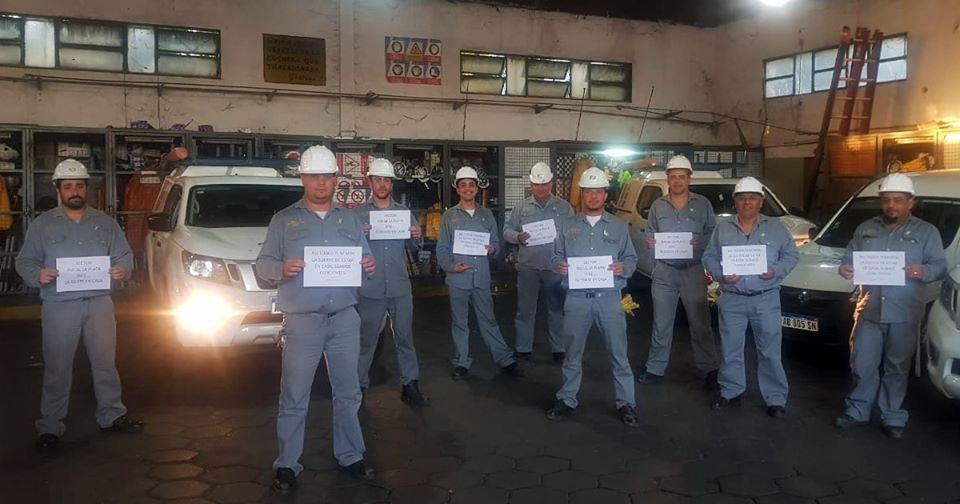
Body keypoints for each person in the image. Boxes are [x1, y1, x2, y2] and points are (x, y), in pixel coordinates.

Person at [256, 145, 378, 493]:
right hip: (302, 321)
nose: (321, 183)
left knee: (349, 392)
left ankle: (350, 455)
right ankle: (287, 464)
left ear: (335, 179)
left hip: (344, 319)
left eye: (327, 176)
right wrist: (281, 268)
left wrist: (368, 265)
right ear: (303, 179)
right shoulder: (283, 221)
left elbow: (365, 261)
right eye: (314, 177)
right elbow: (263, 267)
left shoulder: (349, 219)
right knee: (294, 395)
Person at [15, 159, 143, 453]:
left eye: (79, 186)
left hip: (99, 304)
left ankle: (112, 415)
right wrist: (38, 275)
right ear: (58, 189)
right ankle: (50, 426)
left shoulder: (105, 223)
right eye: (68, 186)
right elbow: (25, 261)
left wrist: (123, 270)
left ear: (87, 188)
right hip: (60, 306)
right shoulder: (42, 225)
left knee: (105, 363)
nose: (74, 191)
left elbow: (124, 256)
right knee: (57, 367)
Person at [834, 173, 945, 439]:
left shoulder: (927, 232)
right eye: (886, 200)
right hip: (869, 309)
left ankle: (892, 416)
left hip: (904, 311)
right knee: (862, 362)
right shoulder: (865, 228)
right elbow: (849, 256)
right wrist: (845, 267)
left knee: (897, 367)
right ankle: (858, 410)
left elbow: (940, 266)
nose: (891, 205)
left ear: (910, 202)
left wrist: (923, 271)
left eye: (898, 200)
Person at [546, 167, 640, 428]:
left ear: (605, 195)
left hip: (609, 299)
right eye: (589, 191)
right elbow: (555, 255)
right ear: (582, 194)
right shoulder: (567, 225)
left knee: (619, 354)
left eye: (598, 191)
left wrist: (624, 267)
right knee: (572, 353)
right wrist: (558, 265)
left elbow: (631, 258)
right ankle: (567, 399)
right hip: (576, 299)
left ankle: (626, 403)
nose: (594, 196)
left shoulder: (618, 227)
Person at [702, 176, 798, 418]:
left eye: (752, 198)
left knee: (770, 351)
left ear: (761, 202)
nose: (747, 203)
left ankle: (775, 398)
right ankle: (730, 390)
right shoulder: (723, 228)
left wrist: (775, 271)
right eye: (742, 198)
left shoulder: (776, 228)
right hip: (732, 298)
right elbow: (709, 256)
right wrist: (721, 274)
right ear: (735, 201)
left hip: (766, 298)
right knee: (730, 348)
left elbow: (791, 256)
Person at [636, 155, 721, 389]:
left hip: (692, 270)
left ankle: (710, 368)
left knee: (700, 323)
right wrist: (651, 241)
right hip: (664, 272)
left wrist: (702, 243)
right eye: (673, 177)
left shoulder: (703, 204)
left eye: (681, 177)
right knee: (661, 323)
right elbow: (650, 230)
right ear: (668, 179)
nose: (677, 181)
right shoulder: (658, 205)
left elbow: (712, 232)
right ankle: (655, 368)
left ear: (689, 178)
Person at [437, 166, 523, 380]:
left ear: (477, 189)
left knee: (489, 320)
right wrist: (451, 267)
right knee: (460, 323)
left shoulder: (486, 215)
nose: (467, 189)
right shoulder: (449, 216)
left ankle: (504, 359)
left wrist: (493, 250)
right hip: (458, 279)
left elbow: (496, 245)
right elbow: (442, 247)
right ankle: (461, 362)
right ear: (458, 189)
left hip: (481, 278)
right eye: (463, 185)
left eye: (471, 185)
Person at [354, 158, 429, 406]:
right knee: (366, 341)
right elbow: (347, 250)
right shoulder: (357, 215)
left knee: (405, 338)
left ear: (391, 184)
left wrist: (417, 236)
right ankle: (358, 387)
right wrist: (357, 236)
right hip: (370, 288)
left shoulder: (403, 214)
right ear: (370, 182)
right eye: (378, 179)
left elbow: (415, 247)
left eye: (386, 180)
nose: (382, 184)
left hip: (399, 288)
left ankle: (410, 384)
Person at [503, 162, 573, 363]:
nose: (541, 188)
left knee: (557, 309)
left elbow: (573, 233)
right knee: (525, 309)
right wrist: (517, 237)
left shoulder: (565, 207)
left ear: (551, 183)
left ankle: (559, 347)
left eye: (545, 184)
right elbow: (506, 230)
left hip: (555, 267)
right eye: (537, 184)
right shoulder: (521, 207)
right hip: (528, 267)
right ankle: (523, 347)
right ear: (531, 185)